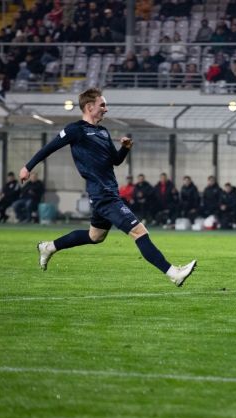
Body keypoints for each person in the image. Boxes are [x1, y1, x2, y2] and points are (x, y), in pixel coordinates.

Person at [18, 88, 195, 286]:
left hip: (109, 191)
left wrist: (125, 149)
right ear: (89, 107)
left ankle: (49, 247)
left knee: (95, 236)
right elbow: (49, 148)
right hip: (102, 194)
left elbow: (115, 160)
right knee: (139, 231)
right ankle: (173, 273)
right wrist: (27, 167)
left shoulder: (103, 132)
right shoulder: (75, 129)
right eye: (102, 105)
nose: (106, 109)